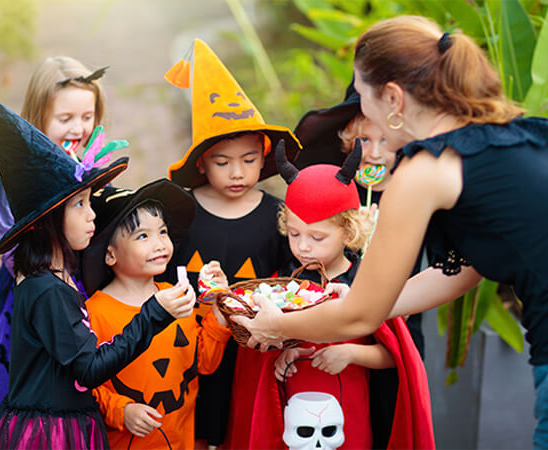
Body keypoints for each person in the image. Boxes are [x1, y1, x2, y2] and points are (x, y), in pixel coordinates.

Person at [233, 15, 548, 447]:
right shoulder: (504, 138)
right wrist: (358, 298)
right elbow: (463, 268)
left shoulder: (424, 171)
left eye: (363, 97)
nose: (363, 112)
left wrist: (279, 326)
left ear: (394, 99)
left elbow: (360, 317)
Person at [0, 80, 196, 449]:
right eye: (80, 204)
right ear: (49, 218)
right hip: (48, 436)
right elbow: (88, 368)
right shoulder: (47, 290)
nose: (93, 215)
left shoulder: (57, 279)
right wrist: (154, 313)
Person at [226, 141, 434, 449]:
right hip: (290, 411)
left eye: (317, 236)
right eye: (294, 234)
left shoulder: (367, 282)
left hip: (353, 413)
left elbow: (396, 356)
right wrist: (282, 356)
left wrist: (350, 354)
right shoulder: (282, 286)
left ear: (349, 232)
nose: (303, 246)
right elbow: (260, 355)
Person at [162, 38, 301, 448]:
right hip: (190, 347)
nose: (237, 172)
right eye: (222, 162)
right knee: (194, 429)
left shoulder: (277, 214)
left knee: (244, 429)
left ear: (264, 157)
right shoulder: (181, 212)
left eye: (249, 159)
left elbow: (293, 281)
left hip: (253, 348)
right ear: (202, 162)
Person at [0, 56, 111, 420]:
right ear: (38, 119)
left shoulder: (93, 173)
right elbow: (17, 257)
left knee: (81, 394)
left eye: (87, 117)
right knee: (33, 402)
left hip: (84, 308)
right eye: (65, 119)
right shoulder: (17, 190)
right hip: (35, 307)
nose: (78, 128)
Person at [294, 84, 426, 448]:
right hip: (337, 328)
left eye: (386, 141)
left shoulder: (415, 194)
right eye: (365, 141)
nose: (375, 153)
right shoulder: (338, 192)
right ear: (347, 142)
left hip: (395, 319)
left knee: (387, 419)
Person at [81, 180, 232, 449]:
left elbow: (203, 362)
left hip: (179, 439)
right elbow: (84, 383)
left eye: (163, 232)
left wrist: (220, 305)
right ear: (110, 256)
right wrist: (120, 410)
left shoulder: (177, 297)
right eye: (143, 236)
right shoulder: (96, 312)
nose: (160, 243)